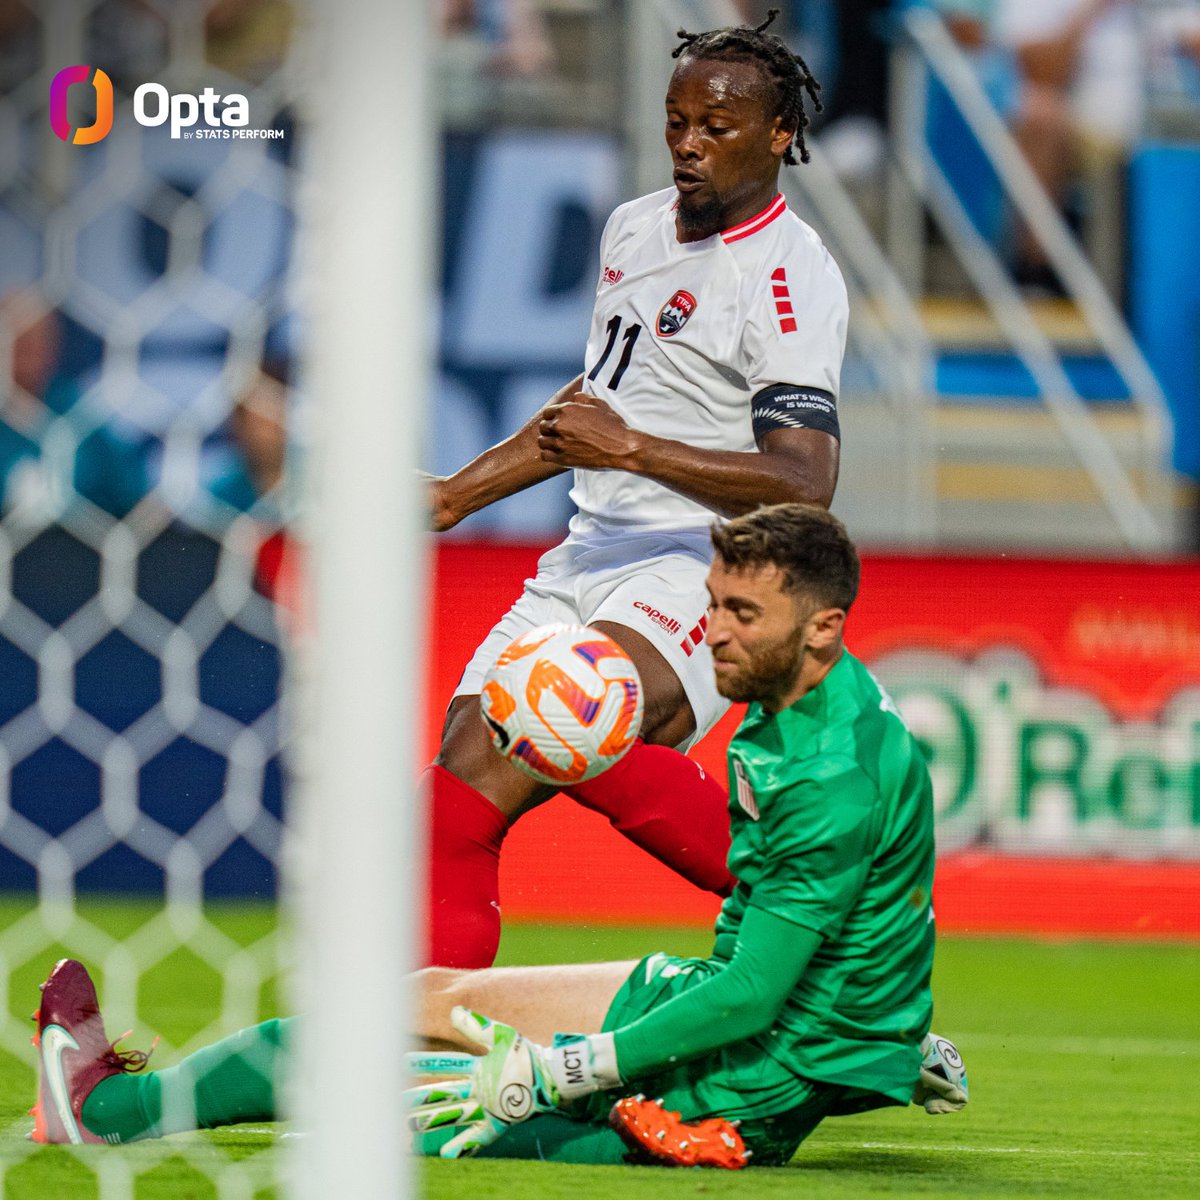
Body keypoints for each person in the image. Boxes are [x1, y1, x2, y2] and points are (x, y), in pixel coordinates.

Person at [28, 505, 968, 1167]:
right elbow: (852, 922)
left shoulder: (826, 778)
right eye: (713, 602)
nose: (711, 633)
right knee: (421, 998)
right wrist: (880, 1040)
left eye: (740, 614)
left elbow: (756, 995)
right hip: (755, 1024)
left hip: (731, 1082)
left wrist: (563, 1070)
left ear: (823, 627)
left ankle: (103, 1112)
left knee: (339, 1064)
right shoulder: (829, 703)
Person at [425, 8, 849, 969]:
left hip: (703, 565)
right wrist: (456, 494)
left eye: (718, 127)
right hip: (588, 553)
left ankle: (833, 940)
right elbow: (600, 404)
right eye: (676, 122)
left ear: (781, 134)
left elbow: (804, 479)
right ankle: (430, 1062)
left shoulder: (791, 277)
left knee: (582, 710)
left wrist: (632, 450)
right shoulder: (635, 228)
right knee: (457, 784)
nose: (688, 146)